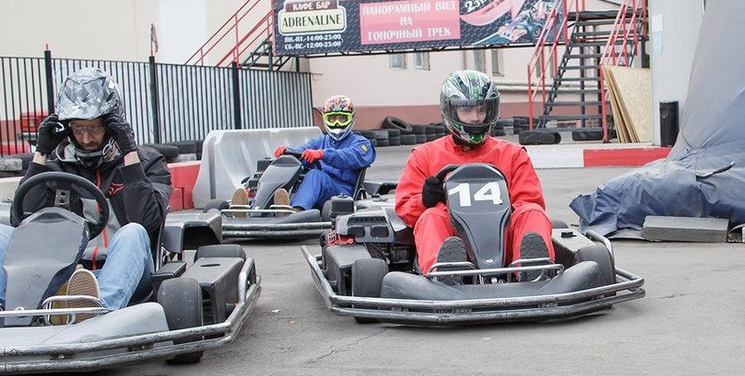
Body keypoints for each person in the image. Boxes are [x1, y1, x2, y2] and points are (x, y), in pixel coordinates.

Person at [0, 67, 171, 327]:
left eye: (95, 128)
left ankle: (97, 313)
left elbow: (147, 221)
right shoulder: (54, 168)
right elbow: (22, 219)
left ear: (112, 125)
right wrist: (41, 153)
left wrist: (129, 155)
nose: (86, 138)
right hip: (60, 273)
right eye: (78, 128)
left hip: (125, 271)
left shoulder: (147, 163)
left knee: (133, 232)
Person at [395, 70, 553, 276]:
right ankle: (446, 274)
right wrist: (425, 201)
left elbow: (529, 200)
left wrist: (495, 212)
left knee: (532, 212)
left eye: (481, 110)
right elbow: (405, 209)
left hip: (502, 239)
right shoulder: (425, 156)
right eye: (467, 110)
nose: (476, 118)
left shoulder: (513, 154)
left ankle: (533, 270)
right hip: (455, 240)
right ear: (450, 110)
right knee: (431, 216)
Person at [232, 94, 375, 212]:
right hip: (318, 190)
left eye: (341, 118)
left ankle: (296, 211)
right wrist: (288, 152)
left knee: (315, 176)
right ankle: (253, 207)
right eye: (332, 118)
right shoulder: (320, 141)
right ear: (326, 119)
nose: (337, 123)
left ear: (351, 118)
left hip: (341, 193)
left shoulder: (361, 144)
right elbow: (303, 150)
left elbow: (350, 156)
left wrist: (323, 154)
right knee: (287, 170)